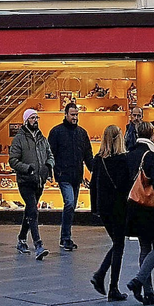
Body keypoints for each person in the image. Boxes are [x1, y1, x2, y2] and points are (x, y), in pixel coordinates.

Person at [125, 121, 154, 306]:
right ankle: (138, 280)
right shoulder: (150, 155)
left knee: (144, 248)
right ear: (152, 135)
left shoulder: (130, 154)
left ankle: (149, 293)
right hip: (151, 207)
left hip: (135, 205)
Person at [89, 124, 131, 301]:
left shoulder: (98, 160)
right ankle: (112, 286)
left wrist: (95, 208)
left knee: (117, 243)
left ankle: (101, 275)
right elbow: (125, 185)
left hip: (104, 208)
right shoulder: (123, 159)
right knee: (119, 245)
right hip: (119, 208)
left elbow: (93, 185)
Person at [48, 102, 93, 251]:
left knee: (71, 205)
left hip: (76, 176)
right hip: (63, 175)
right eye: (72, 115)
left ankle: (65, 237)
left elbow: (88, 154)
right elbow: (50, 154)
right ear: (66, 114)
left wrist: (94, 169)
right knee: (69, 203)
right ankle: (65, 237)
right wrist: (50, 172)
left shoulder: (82, 133)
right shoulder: (57, 132)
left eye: (76, 115)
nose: (75, 117)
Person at [8, 108, 53, 260]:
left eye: (36, 118)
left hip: (39, 181)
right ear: (26, 120)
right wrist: (27, 168)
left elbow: (50, 154)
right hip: (25, 181)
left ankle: (21, 239)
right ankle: (38, 244)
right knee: (33, 210)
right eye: (32, 118)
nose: (35, 120)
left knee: (30, 211)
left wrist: (48, 166)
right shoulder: (19, 139)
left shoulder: (42, 138)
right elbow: (13, 160)